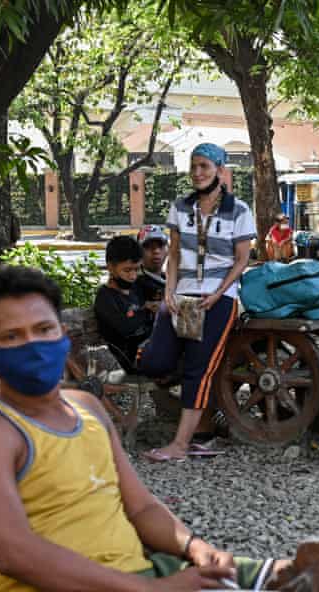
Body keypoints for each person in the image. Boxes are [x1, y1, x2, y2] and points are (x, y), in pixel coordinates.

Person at [0, 265, 286, 591]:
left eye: (43, 330)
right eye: (12, 336)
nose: (33, 344)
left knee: (302, 575)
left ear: (63, 336)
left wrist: (197, 548)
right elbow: (14, 554)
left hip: (138, 574)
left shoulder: (87, 409)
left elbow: (141, 507)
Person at [137, 143, 254, 461]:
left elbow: (242, 259)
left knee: (198, 371)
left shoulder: (239, 210)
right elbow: (173, 254)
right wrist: (169, 293)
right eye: (194, 166)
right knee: (155, 361)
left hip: (217, 299)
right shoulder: (180, 207)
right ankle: (198, 418)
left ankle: (180, 445)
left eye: (204, 166)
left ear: (220, 169)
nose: (198, 172)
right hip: (182, 297)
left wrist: (219, 293)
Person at [93, 236, 154, 373]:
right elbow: (125, 327)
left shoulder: (134, 290)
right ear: (110, 267)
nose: (133, 276)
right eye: (127, 270)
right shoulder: (105, 296)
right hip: (126, 360)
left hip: (145, 350)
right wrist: (146, 310)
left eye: (136, 269)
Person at [135, 224, 168, 304]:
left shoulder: (172, 280)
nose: (156, 251)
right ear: (139, 252)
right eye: (149, 246)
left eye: (160, 246)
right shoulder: (135, 284)